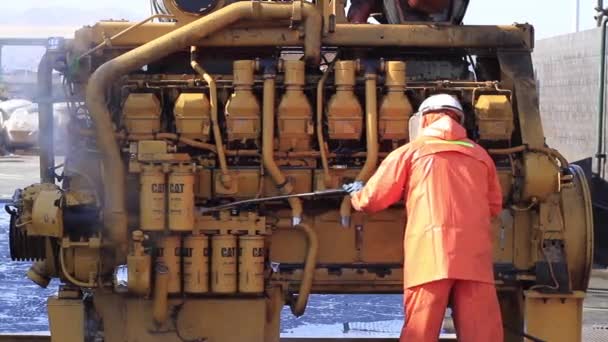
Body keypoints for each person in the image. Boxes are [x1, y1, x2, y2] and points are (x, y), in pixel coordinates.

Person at [343, 94, 503, 341]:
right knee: (482, 334)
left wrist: (356, 193)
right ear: (459, 120)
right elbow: (493, 206)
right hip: (475, 258)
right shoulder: (481, 156)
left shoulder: (410, 152)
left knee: (420, 333)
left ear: (422, 120)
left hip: (430, 257)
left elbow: (372, 200)